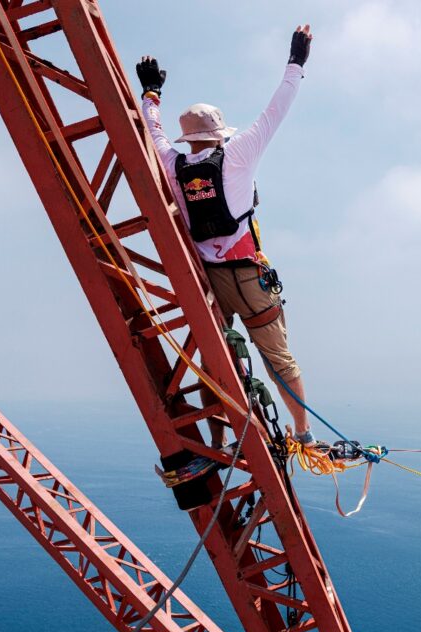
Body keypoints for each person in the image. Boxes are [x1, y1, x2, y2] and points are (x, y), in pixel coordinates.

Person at [136, 25, 320, 449]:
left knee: (215, 364)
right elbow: (278, 108)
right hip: (248, 278)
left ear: (189, 139)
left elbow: (152, 132)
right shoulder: (238, 153)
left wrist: (151, 93)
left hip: (211, 280)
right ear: (219, 132)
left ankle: (218, 443)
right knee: (278, 358)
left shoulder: (173, 164)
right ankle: (304, 433)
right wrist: (296, 61)